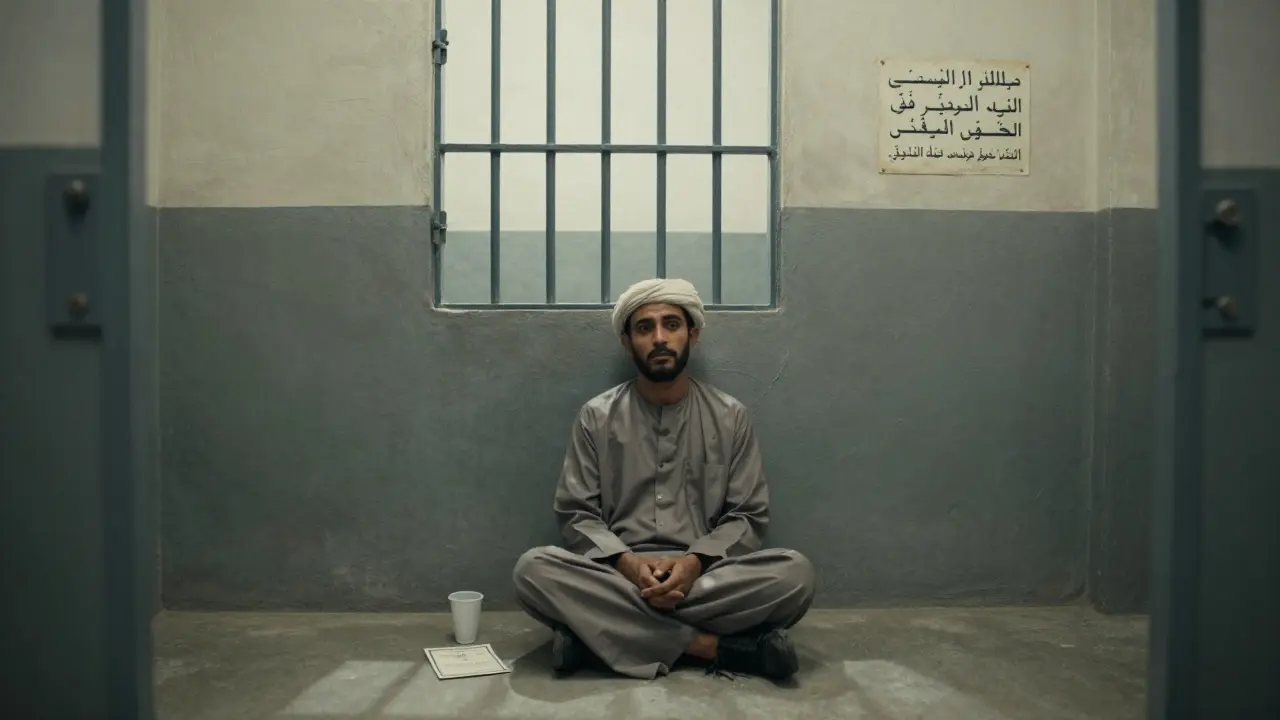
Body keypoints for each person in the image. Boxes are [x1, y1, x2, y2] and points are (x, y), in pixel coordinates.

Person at [512, 277, 816, 681]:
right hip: (618, 576)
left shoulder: (730, 416)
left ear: (692, 334)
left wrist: (691, 566)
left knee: (795, 575)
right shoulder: (596, 417)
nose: (659, 338)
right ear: (627, 342)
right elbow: (576, 514)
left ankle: (598, 639)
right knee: (533, 570)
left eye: (671, 324)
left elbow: (747, 515)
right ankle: (711, 647)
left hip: (706, 579)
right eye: (644, 328)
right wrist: (630, 566)